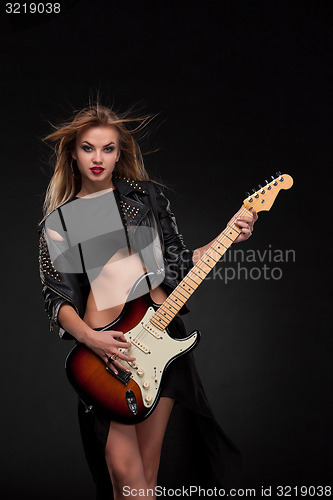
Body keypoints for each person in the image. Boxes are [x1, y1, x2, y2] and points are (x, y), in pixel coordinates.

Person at [38, 102, 257, 500]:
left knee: (148, 482)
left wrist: (229, 234)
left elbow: (177, 264)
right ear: (73, 152)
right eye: (88, 148)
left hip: (161, 345)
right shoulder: (62, 222)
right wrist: (92, 339)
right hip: (109, 352)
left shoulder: (147, 199)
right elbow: (59, 299)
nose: (98, 158)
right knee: (126, 478)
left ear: (120, 153)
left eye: (108, 148)